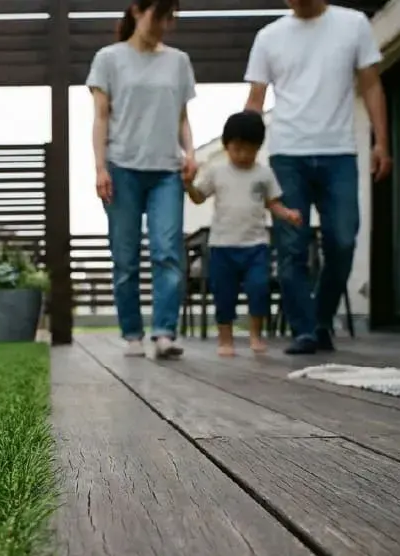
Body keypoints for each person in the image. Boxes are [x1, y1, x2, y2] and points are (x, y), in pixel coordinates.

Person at [243, 0, 391, 354]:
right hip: (286, 154)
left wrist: (381, 142)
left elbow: (371, 85)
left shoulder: (353, 24)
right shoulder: (269, 36)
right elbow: (255, 100)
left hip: (338, 151)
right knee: (291, 248)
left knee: (342, 240)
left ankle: (321, 319)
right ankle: (305, 330)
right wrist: (243, 158)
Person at [87, 0, 197, 359]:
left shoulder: (178, 61)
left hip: (166, 170)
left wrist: (191, 153)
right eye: (158, 16)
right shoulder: (108, 58)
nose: (164, 24)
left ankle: (164, 332)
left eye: (170, 18)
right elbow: (101, 117)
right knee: (125, 256)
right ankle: (132, 334)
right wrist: (100, 166)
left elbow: (182, 116)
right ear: (136, 11)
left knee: (167, 252)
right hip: (122, 167)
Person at [184, 111, 303, 357]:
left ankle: (256, 336)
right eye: (237, 149)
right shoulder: (217, 172)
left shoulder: (263, 174)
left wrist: (288, 214)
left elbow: (273, 203)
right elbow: (198, 197)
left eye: (249, 150)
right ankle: (225, 339)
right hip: (222, 246)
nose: (242, 155)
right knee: (223, 294)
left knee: (259, 288)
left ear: (258, 148)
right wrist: (187, 185)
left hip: (255, 245)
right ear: (227, 146)